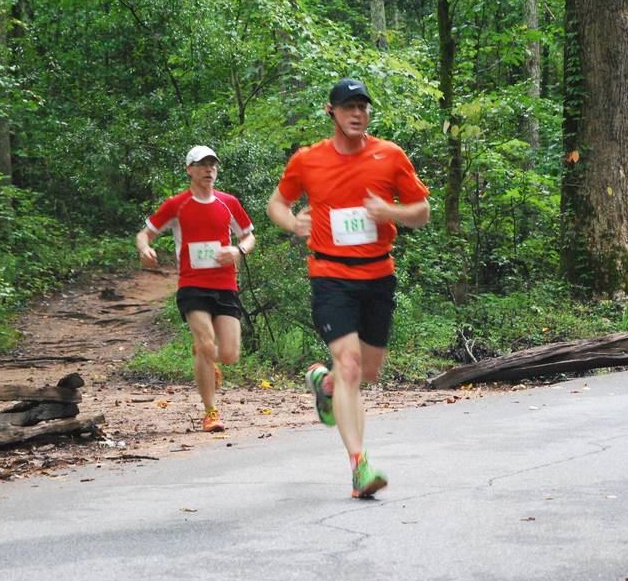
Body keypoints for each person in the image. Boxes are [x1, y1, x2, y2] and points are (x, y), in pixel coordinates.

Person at [267, 79, 430, 498]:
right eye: (348, 107)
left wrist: (388, 211)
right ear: (332, 112)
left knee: (367, 372)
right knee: (352, 366)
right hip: (330, 274)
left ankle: (325, 383)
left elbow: (422, 211)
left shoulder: (390, 155)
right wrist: (292, 223)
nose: (357, 113)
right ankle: (360, 466)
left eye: (363, 107)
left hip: (378, 274)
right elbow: (277, 203)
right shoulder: (308, 160)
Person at [137, 145, 255, 433]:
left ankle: (205, 354)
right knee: (205, 344)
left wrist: (238, 251)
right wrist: (145, 248)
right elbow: (146, 233)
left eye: (212, 165)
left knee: (229, 355)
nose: (208, 170)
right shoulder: (177, 204)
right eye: (202, 165)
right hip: (192, 285)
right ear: (189, 169)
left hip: (225, 285)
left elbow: (249, 236)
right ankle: (211, 412)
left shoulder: (228, 202)